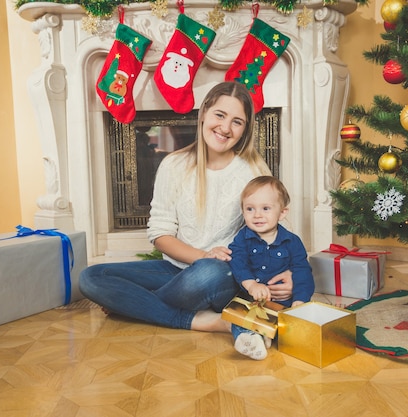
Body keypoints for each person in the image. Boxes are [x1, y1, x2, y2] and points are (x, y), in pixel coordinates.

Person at [79, 81, 293, 333]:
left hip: (223, 274)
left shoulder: (253, 171)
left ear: (245, 129)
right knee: (91, 278)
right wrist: (202, 255)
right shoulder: (174, 165)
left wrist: (288, 273)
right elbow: (160, 235)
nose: (225, 128)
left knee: (209, 272)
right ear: (204, 114)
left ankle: (134, 302)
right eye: (220, 115)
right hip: (175, 270)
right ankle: (203, 320)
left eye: (237, 121)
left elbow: (272, 233)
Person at [228, 176, 315, 360]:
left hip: (283, 302)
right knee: (241, 319)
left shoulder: (292, 241)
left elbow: (302, 271)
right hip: (253, 301)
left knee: (296, 326)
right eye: (250, 209)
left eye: (265, 209)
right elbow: (238, 261)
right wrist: (251, 285)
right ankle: (251, 339)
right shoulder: (242, 238)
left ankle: (268, 334)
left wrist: (300, 300)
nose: (257, 215)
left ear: (282, 213)